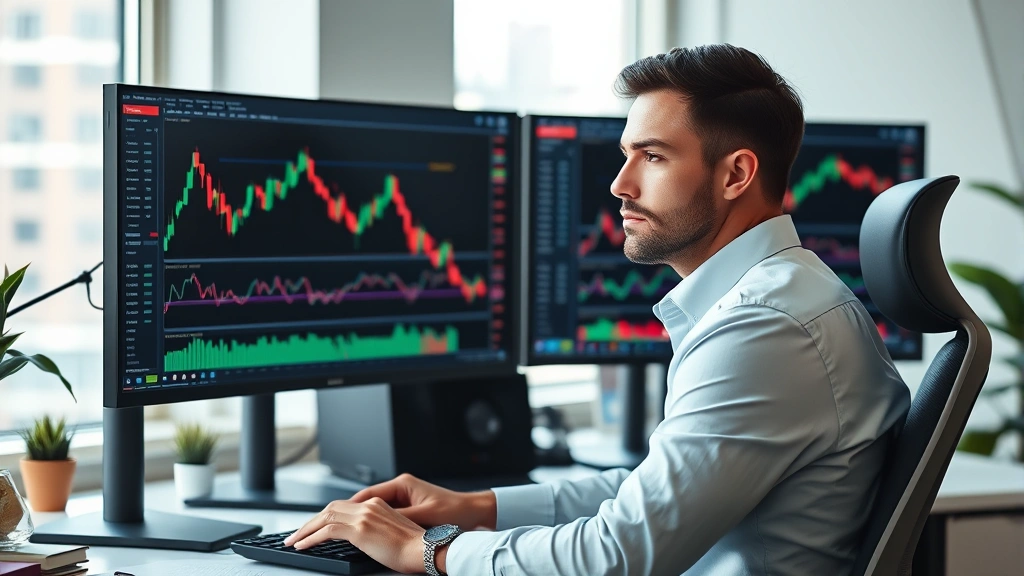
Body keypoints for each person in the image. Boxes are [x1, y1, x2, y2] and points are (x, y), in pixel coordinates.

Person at [284, 44, 911, 575]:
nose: (620, 184)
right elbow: (648, 498)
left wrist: (424, 549)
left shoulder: (763, 327)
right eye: (625, 153)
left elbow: (619, 552)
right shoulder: (784, 296)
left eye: (654, 156)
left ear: (735, 174)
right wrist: (472, 508)